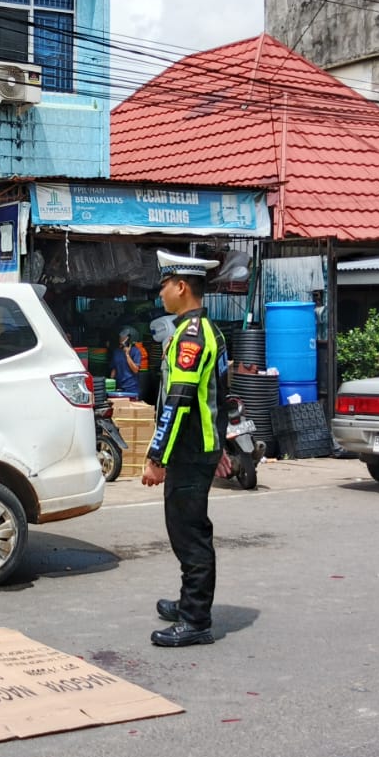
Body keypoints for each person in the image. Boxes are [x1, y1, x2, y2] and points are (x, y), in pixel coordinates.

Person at [141, 250, 229, 648]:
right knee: (185, 529)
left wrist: (157, 457)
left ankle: (196, 620)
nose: (160, 292)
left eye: (164, 284)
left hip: (188, 449)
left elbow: (179, 402)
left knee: (189, 533)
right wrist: (221, 444)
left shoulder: (190, 337)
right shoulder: (208, 331)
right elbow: (219, 397)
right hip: (201, 446)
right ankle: (187, 603)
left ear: (181, 287)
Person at [111, 326, 145, 398]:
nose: (121, 338)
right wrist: (110, 382)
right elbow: (114, 369)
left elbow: (135, 370)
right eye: (121, 336)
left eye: (124, 337)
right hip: (119, 387)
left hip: (132, 388)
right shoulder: (116, 352)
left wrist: (127, 355)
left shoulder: (136, 351)